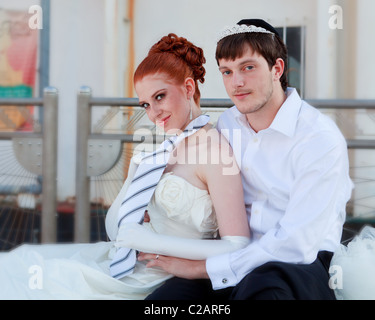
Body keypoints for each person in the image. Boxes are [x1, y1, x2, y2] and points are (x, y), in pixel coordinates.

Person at [0, 33, 250, 300]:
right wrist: (134, 178)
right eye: (145, 104)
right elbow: (117, 233)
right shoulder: (165, 146)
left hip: (158, 278)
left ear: (189, 89)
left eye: (160, 97)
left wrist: (152, 242)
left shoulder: (216, 151)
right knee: (20, 268)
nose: (153, 113)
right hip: (122, 265)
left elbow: (237, 245)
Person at [143, 19, 354, 300]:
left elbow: (297, 243)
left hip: (297, 265)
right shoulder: (228, 124)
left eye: (248, 67)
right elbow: (205, 181)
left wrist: (203, 268)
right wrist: (159, 211)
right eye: (227, 72)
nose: (237, 83)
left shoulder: (319, 138)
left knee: (262, 291)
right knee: (166, 301)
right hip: (232, 254)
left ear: (277, 68)